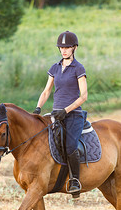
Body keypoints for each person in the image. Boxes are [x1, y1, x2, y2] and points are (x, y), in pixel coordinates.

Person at [33, 31, 88, 195]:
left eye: (67, 47)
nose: (64, 50)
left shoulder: (79, 68)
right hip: (56, 114)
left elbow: (84, 96)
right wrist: (38, 108)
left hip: (73, 115)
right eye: (61, 47)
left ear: (74, 48)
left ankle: (75, 180)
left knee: (70, 146)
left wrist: (66, 110)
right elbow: (46, 91)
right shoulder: (54, 68)